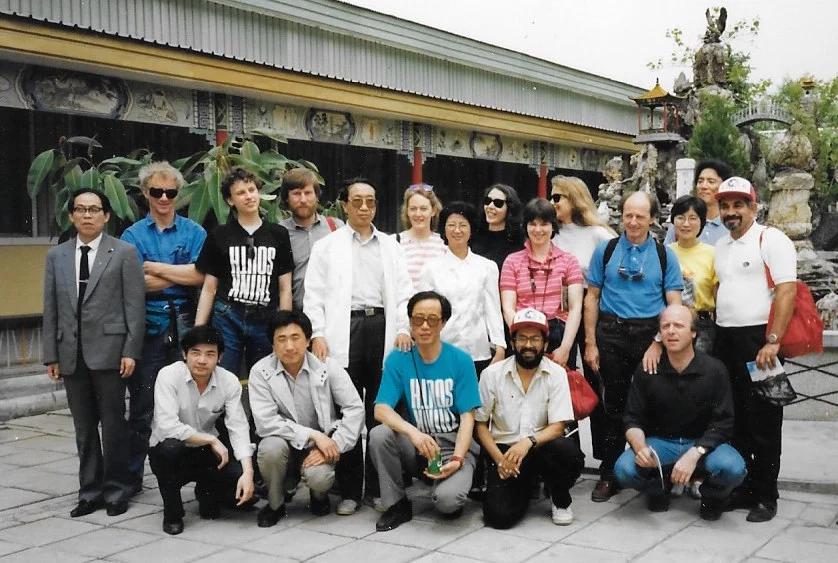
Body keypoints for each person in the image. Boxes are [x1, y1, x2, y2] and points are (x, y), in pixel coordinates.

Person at [303, 177, 413, 515]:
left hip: (382, 329)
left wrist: (404, 327)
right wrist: (317, 333)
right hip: (342, 330)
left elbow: (404, 292)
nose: (365, 207)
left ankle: (381, 489)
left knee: (380, 413)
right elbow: (314, 294)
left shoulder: (391, 246)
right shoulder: (327, 246)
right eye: (358, 201)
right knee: (348, 412)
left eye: (371, 201)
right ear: (345, 205)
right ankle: (349, 490)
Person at [43, 188, 145, 518]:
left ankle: (117, 490)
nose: (87, 215)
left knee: (114, 425)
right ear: (71, 215)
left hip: (112, 352)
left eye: (94, 209)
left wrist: (131, 350)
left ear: (106, 216)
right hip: (71, 353)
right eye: (81, 209)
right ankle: (90, 491)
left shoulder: (124, 252)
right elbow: (51, 308)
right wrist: (51, 354)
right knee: (84, 428)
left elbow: (134, 307)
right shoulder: (56, 256)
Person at [584, 191, 683, 502]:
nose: (634, 221)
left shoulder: (665, 255)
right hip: (611, 334)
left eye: (641, 216)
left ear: (652, 218)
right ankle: (609, 473)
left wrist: (659, 342)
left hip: (648, 337)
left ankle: (651, 474)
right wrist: (590, 342)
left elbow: (675, 305)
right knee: (611, 407)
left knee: (652, 404)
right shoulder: (607, 249)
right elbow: (592, 298)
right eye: (628, 215)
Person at [713, 177, 797, 523]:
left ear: (753, 207)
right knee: (736, 421)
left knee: (764, 421)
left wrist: (773, 340)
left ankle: (766, 495)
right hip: (725, 339)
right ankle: (744, 487)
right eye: (726, 206)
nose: (731, 212)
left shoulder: (771, 239)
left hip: (760, 341)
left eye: (738, 205)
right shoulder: (720, 245)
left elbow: (787, 291)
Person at [120, 161, 207, 495]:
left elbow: (200, 275)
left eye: (170, 192)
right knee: (143, 406)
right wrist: (179, 272)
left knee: (192, 403)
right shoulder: (132, 235)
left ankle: (198, 477)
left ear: (178, 193)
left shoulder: (194, 232)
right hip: (148, 324)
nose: (164, 198)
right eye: (156, 192)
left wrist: (155, 268)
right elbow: (134, 284)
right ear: (145, 193)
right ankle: (131, 479)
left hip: (186, 322)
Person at [615, 305, 746, 520]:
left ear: (694, 332)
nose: (671, 331)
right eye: (665, 326)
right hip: (660, 443)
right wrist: (639, 449)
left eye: (679, 325)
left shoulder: (714, 370)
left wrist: (695, 453)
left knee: (733, 468)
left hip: (702, 445)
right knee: (624, 470)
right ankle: (658, 486)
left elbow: (724, 423)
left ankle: (711, 496)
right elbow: (632, 418)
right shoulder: (648, 368)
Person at [369, 291, 481, 531]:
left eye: (433, 319)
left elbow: (467, 418)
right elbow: (381, 408)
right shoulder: (398, 359)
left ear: (443, 323)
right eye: (418, 319)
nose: (425, 326)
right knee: (379, 435)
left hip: (453, 445)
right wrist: (414, 434)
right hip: (418, 444)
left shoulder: (460, 360)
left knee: (448, 504)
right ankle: (396, 503)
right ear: (409, 322)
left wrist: (459, 458)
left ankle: (454, 483)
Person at [248, 310, 364, 526]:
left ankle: (319, 498)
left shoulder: (328, 366)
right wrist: (312, 435)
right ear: (272, 343)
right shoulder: (260, 371)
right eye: (281, 339)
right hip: (283, 442)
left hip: (321, 444)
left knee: (319, 477)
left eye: (295, 338)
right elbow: (266, 422)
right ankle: (275, 504)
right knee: (269, 448)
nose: (289, 346)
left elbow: (355, 408)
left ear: (308, 340)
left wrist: (333, 444)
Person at [476, 308, 584, 529]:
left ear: (545, 344)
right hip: (505, 452)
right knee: (499, 518)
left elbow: (558, 426)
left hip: (540, 447)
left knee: (566, 450)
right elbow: (480, 425)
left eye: (535, 339)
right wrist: (499, 460)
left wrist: (528, 442)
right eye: (522, 338)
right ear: (513, 342)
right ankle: (525, 485)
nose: (528, 345)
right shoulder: (492, 375)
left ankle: (560, 498)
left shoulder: (556, 373)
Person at [148, 326, 255, 535]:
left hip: (205, 453)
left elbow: (238, 427)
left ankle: (207, 495)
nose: (202, 360)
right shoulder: (168, 375)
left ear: (220, 357)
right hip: (171, 451)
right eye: (195, 353)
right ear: (184, 354)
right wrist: (212, 440)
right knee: (170, 448)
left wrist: (248, 473)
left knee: (237, 477)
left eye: (210, 354)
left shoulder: (229, 381)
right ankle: (173, 513)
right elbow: (167, 425)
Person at [195, 167, 294, 376]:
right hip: (228, 315)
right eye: (240, 193)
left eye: (251, 190)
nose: (248, 196)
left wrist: (284, 325)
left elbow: (285, 287)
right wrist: (199, 329)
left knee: (267, 378)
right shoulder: (219, 235)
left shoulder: (278, 234)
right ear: (230, 200)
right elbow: (209, 288)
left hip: (266, 316)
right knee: (225, 376)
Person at [550, 175, 616, 463]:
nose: (552, 204)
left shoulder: (598, 235)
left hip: (592, 314)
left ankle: (605, 455)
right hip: (559, 316)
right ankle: (570, 451)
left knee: (595, 378)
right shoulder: (550, 234)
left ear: (574, 199)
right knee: (562, 380)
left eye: (557, 198)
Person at [418, 201, 505, 374]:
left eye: (463, 225)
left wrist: (500, 345)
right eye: (451, 225)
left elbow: (492, 310)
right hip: (440, 350)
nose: (457, 230)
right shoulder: (430, 268)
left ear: (471, 229)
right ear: (444, 229)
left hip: (478, 351)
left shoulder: (487, 267)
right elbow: (424, 312)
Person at [501, 198, 584, 368]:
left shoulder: (569, 261)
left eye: (544, 224)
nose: (538, 230)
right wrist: (521, 338)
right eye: (532, 224)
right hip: (524, 330)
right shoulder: (512, 261)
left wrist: (566, 347)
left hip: (559, 333)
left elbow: (575, 308)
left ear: (553, 226)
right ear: (526, 226)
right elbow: (508, 308)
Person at [278, 167, 344, 311]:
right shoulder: (279, 232)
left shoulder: (336, 227)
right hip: (297, 313)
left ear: (316, 196)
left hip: (333, 312)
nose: (303, 199)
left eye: (308, 193)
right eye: (296, 194)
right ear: (287, 198)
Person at [667, 195, 718, 355]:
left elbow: (717, 294)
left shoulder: (712, 253)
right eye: (680, 218)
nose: (686, 224)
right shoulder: (665, 252)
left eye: (693, 218)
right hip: (670, 323)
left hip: (702, 325)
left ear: (702, 222)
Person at [664, 159, 732, 245]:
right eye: (700, 181)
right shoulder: (681, 222)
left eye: (711, 182)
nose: (703, 186)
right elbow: (666, 254)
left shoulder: (731, 224)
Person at [394, 184, 446, 286]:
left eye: (423, 209)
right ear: (407, 211)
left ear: (433, 211)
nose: (418, 214)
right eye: (413, 209)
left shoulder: (444, 244)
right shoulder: (395, 242)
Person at [471, 183, 524, 273]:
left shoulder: (519, 240)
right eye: (488, 201)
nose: (490, 206)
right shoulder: (474, 235)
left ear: (510, 208)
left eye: (498, 203)